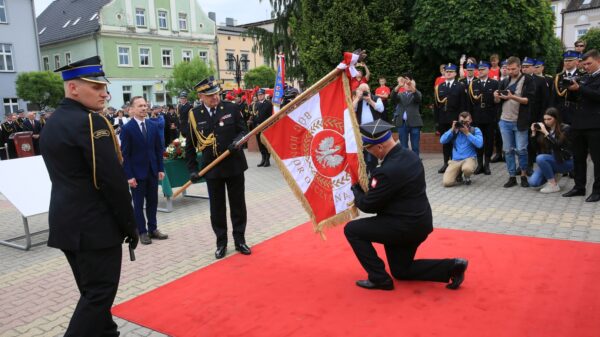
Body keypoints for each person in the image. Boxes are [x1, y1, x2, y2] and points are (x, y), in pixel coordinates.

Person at [40, 56, 138, 337]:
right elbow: (111, 182)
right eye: (95, 88)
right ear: (73, 89)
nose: (104, 93)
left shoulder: (54, 122)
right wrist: (130, 226)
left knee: (91, 292)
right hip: (95, 228)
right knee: (98, 295)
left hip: (66, 224)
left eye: (103, 87)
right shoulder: (92, 122)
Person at [344, 119, 468, 291]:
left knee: (352, 230)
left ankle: (379, 278)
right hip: (419, 223)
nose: (369, 153)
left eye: (369, 149)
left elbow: (368, 205)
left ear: (380, 147)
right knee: (401, 270)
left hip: (403, 227)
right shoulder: (411, 156)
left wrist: (356, 189)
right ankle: (452, 267)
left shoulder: (386, 171)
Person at [185, 76, 251, 259]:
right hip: (211, 169)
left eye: (216, 94)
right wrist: (192, 169)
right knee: (217, 208)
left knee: (238, 205)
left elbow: (244, 130)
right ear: (201, 97)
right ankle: (221, 243)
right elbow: (189, 145)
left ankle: (240, 240)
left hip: (234, 165)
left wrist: (237, 142)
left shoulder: (231, 107)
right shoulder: (194, 115)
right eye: (210, 95)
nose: (214, 98)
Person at [120, 96, 168, 245]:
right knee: (139, 204)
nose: (143, 108)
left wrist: (160, 168)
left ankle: (153, 229)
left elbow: (158, 149)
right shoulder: (127, 129)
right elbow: (125, 155)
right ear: (131, 109)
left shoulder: (152, 125)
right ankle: (142, 232)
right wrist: (129, 176)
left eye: (145, 106)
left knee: (153, 202)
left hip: (152, 171)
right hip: (137, 174)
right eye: (140, 106)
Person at [562, 49, 600, 202]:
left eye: (589, 64)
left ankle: (597, 190)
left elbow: (597, 96)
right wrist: (570, 89)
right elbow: (575, 99)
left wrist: (580, 88)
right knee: (578, 157)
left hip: (595, 124)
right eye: (584, 64)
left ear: (598, 61)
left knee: (597, 160)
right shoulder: (584, 77)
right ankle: (579, 187)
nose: (586, 67)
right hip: (578, 123)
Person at [494, 56, 535, 188]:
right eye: (508, 69)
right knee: (508, 150)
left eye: (513, 69)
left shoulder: (528, 80)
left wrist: (512, 97)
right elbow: (497, 102)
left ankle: (523, 175)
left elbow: (528, 101)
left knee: (522, 150)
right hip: (504, 121)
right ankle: (512, 176)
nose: (510, 71)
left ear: (520, 67)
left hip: (520, 121)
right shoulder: (504, 81)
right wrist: (496, 97)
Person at [528, 108, 573, 193]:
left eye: (549, 119)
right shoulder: (544, 129)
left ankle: (553, 185)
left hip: (565, 161)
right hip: (550, 160)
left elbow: (557, 145)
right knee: (533, 183)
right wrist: (533, 133)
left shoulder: (565, 128)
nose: (546, 121)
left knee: (541, 158)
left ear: (556, 119)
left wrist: (546, 133)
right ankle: (554, 174)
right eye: (545, 119)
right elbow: (535, 149)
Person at [434, 63, 467, 173]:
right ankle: (445, 163)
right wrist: (437, 121)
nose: (448, 73)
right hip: (443, 118)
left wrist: (461, 120)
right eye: (447, 71)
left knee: (456, 142)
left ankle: (456, 164)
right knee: (445, 142)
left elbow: (463, 105)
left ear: (455, 73)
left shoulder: (460, 86)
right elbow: (437, 106)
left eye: (451, 72)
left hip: (454, 119)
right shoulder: (440, 87)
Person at [468, 61, 499, 175]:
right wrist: (470, 117)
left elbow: (497, 103)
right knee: (478, 141)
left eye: (483, 69)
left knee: (489, 141)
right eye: (479, 69)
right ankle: (479, 164)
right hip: (477, 116)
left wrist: (496, 117)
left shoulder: (495, 83)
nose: (480, 71)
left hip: (490, 116)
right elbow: (470, 103)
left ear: (488, 70)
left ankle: (487, 164)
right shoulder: (473, 84)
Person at [440, 112, 483, 186]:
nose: (464, 124)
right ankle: (458, 174)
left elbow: (480, 144)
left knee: (467, 169)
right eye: (462, 122)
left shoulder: (475, 130)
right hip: (455, 160)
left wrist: (467, 133)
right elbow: (442, 140)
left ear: (471, 120)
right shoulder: (455, 131)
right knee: (447, 183)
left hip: (469, 158)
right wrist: (452, 129)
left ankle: (467, 176)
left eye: (466, 122)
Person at [353, 83, 385, 173]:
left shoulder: (375, 98)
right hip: (362, 130)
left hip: (374, 129)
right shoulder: (358, 100)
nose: (364, 93)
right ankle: (365, 171)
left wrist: (370, 100)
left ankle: (374, 170)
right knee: (364, 151)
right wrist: (357, 98)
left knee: (374, 151)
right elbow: (351, 109)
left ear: (369, 90)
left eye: (365, 91)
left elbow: (381, 109)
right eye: (361, 91)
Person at [391, 75, 423, 156]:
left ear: (414, 86)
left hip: (415, 123)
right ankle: (405, 163)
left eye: (410, 84)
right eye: (407, 84)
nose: (408, 85)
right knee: (403, 146)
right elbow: (392, 97)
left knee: (415, 146)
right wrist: (399, 85)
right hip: (402, 123)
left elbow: (418, 98)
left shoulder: (417, 93)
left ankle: (416, 162)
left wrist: (411, 85)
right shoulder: (400, 94)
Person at [552, 51, 582, 125]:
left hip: (576, 111)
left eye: (570, 60)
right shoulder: (558, 77)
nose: (567, 62)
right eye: (565, 60)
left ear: (577, 61)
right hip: (561, 111)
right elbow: (554, 96)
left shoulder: (582, 76)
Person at [253, 88, 273, 167]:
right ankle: (263, 158)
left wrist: (265, 125)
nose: (260, 96)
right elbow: (254, 116)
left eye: (261, 95)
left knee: (265, 143)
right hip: (257, 127)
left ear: (264, 95)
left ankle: (267, 159)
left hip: (265, 127)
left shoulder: (268, 104)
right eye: (258, 95)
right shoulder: (256, 104)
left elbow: (270, 116)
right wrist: (255, 126)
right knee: (260, 144)